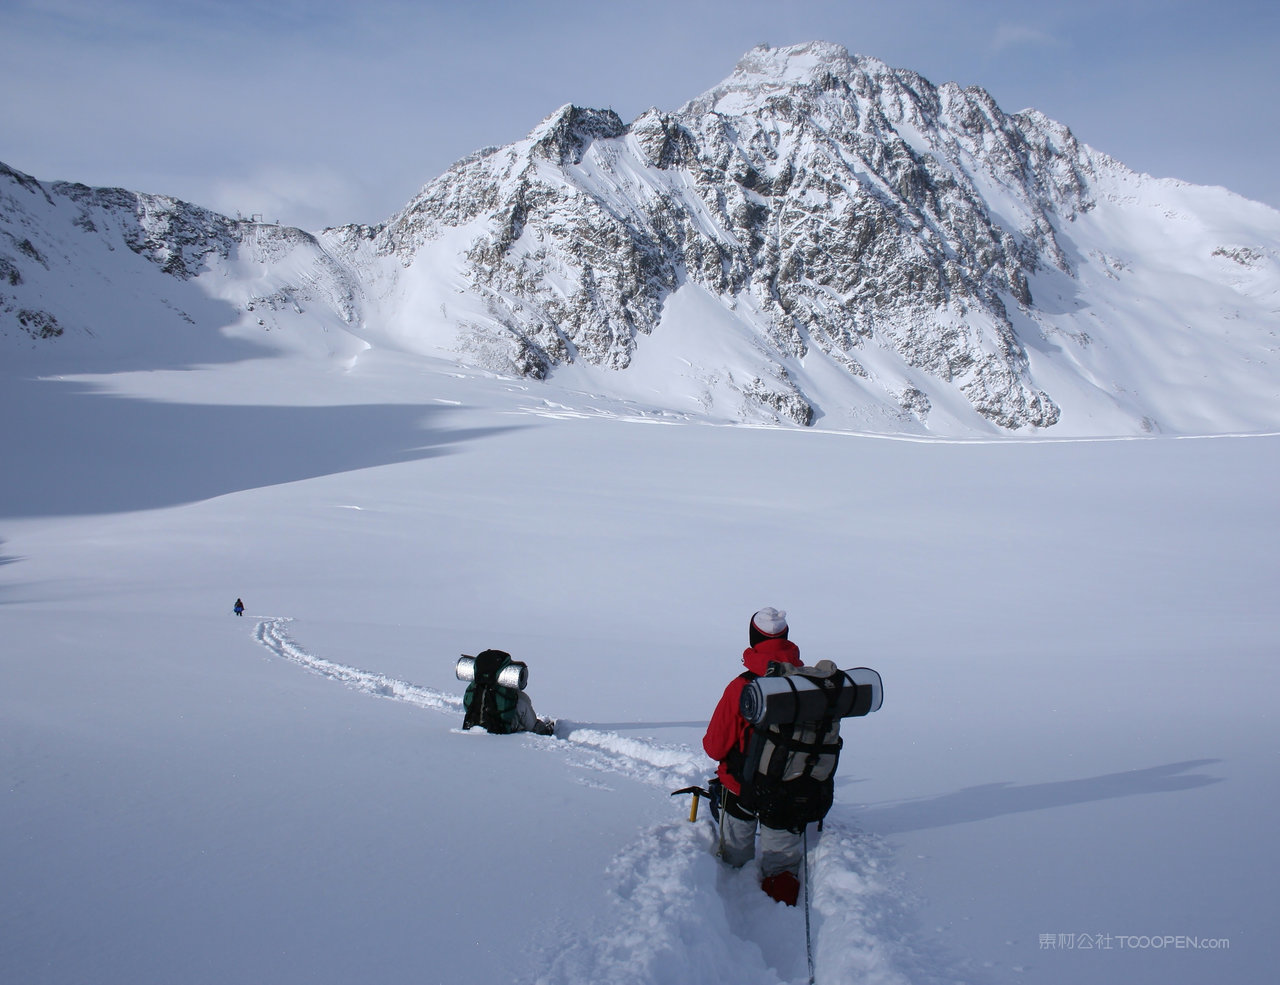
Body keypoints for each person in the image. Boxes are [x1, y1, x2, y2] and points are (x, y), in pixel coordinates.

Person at [702, 607, 805, 905]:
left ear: (753, 638)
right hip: (790, 791)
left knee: (733, 861)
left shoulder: (740, 686)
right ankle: (780, 908)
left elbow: (715, 748)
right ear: (785, 637)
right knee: (783, 871)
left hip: (741, 792)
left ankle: (731, 903)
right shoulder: (807, 684)